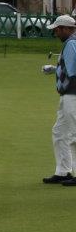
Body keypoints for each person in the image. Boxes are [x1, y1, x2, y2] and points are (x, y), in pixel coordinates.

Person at [42, 14, 76, 186]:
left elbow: (73, 72)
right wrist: (55, 70)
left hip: (73, 95)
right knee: (60, 132)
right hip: (67, 95)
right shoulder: (71, 43)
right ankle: (63, 171)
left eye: (57, 29)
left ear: (66, 29)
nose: (56, 32)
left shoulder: (71, 43)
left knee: (74, 134)